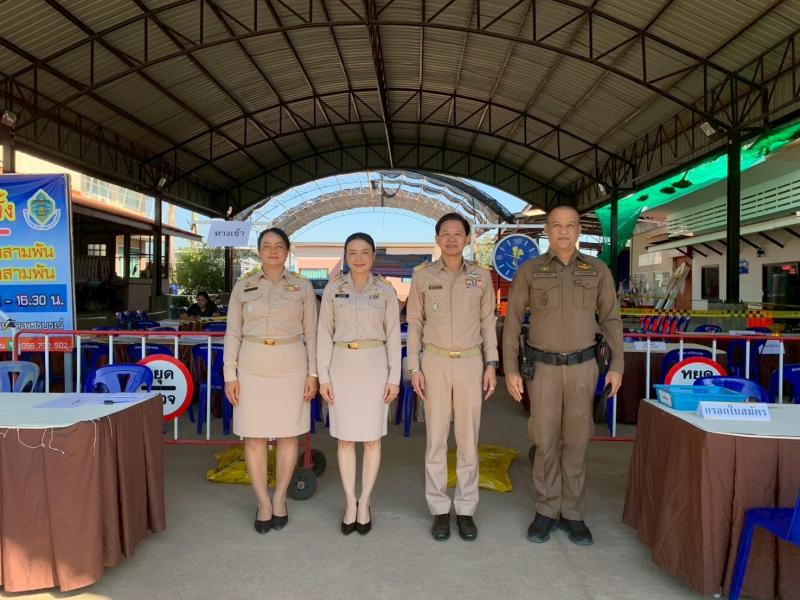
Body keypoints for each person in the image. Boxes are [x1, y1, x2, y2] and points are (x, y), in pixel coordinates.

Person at [502, 205, 623, 546]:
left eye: (570, 225)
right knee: (544, 440)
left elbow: (611, 319)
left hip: (584, 368)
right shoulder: (530, 270)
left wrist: (617, 365)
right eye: (557, 225)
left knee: (577, 441)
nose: (564, 231)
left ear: (579, 230)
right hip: (542, 369)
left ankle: (573, 513)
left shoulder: (597, 270)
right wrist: (510, 369)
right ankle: (546, 510)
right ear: (547, 230)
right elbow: (512, 322)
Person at [406, 212, 499, 542]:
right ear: (437, 239)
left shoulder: (481, 276)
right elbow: (414, 323)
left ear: (467, 239)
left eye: (457, 233)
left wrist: (492, 363)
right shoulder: (423, 276)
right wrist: (414, 367)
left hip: (471, 362)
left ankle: (466, 509)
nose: (451, 239)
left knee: (467, 440)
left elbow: (488, 322)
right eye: (445, 233)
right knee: (435, 440)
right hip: (434, 362)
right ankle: (439, 510)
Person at [223, 228, 319, 534]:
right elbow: (233, 333)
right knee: (254, 437)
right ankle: (263, 502)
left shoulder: (302, 286)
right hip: (252, 365)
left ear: (287, 251)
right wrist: (230, 374)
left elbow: (313, 333)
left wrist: (314, 373)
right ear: (259, 251)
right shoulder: (244, 286)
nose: (273, 250)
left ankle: (280, 499)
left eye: (279, 246)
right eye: (267, 246)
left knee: (288, 435)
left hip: (291, 366)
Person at [317, 232, 401, 536]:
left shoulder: (386, 291)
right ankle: (349, 502)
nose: (359, 258)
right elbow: (324, 334)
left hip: (375, 366)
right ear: (345, 257)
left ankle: (364, 502)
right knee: (345, 439)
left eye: (365, 252)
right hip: (341, 366)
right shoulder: (333, 289)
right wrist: (324, 376)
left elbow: (393, 335)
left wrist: (394, 377)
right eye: (352, 252)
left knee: (372, 439)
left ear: (373, 256)